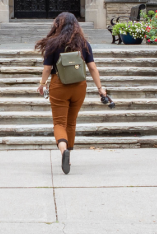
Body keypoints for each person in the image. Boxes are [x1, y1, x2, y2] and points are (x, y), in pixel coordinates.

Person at [36, 12, 107, 174]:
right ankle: (69, 151)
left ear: (57, 25)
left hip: (59, 85)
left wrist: (42, 84)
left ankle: (63, 150)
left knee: (59, 123)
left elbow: (47, 68)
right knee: (71, 121)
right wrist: (100, 88)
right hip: (79, 86)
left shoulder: (52, 44)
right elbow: (92, 67)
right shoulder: (84, 43)